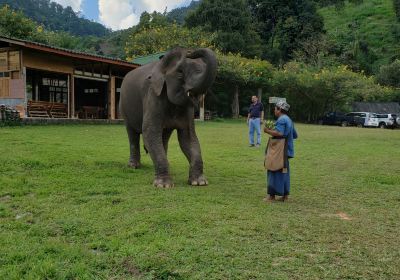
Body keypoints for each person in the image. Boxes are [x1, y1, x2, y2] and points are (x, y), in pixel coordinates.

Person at [263, 101, 297, 202]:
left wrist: (267, 130)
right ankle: (285, 196)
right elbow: (294, 135)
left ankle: (271, 196)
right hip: (287, 150)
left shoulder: (281, 119)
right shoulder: (289, 120)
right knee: (284, 172)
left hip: (279, 150)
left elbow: (279, 133)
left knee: (273, 170)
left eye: (275, 108)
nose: (274, 110)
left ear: (279, 110)